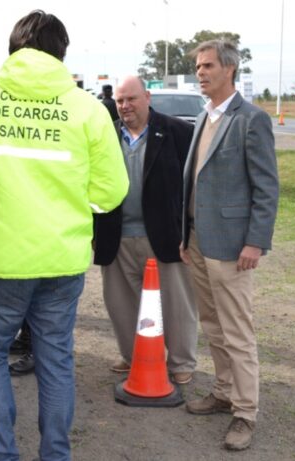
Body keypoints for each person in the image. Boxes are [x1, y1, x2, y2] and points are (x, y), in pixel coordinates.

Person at [0, 10, 128, 460]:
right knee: (56, 360)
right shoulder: (87, 108)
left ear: (14, 50)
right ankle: (55, 454)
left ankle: (1, 453)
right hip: (61, 260)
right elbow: (112, 191)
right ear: (62, 53)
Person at [180, 39, 279, 451]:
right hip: (199, 242)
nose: (200, 73)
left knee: (238, 331)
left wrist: (255, 242)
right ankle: (223, 392)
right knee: (213, 325)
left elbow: (266, 187)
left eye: (207, 66)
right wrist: (185, 236)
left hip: (233, 246)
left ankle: (245, 412)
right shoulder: (206, 116)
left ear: (229, 70)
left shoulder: (250, 119)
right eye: (198, 67)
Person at [93, 75, 198, 385]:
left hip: (165, 237)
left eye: (131, 99)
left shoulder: (178, 132)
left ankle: (181, 362)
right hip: (116, 236)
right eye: (120, 100)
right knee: (121, 304)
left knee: (176, 304)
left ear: (147, 97)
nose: (124, 106)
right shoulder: (105, 136)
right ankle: (132, 356)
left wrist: (189, 230)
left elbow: (192, 185)